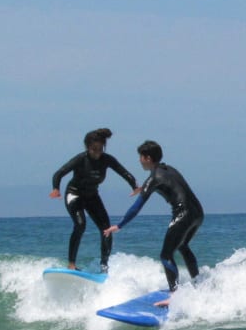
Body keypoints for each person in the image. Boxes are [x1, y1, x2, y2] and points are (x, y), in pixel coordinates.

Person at [104, 141, 204, 299]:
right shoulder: (169, 169)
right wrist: (143, 188)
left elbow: (137, 207)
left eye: (141, 157)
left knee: (166, 255)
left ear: (148, 158)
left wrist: (119, 225)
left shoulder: (153, 178)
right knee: (183, 246)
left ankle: (174, 296)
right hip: (198, 213)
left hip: (183, 214)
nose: (139, 160)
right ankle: (199, 286)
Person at [50, 128, 138, 272]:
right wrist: (55, 189)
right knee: (80, 225)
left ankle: (104, 266)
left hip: (92, 196)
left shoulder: (107, 159)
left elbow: (124, 173)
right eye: (94, 149)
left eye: (100, 149)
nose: (97, 152)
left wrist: (135, 186)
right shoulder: (80, 159)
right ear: (87, 147)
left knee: (106, 229)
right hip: (74, 194)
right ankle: (72, 264)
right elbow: (59, 173)